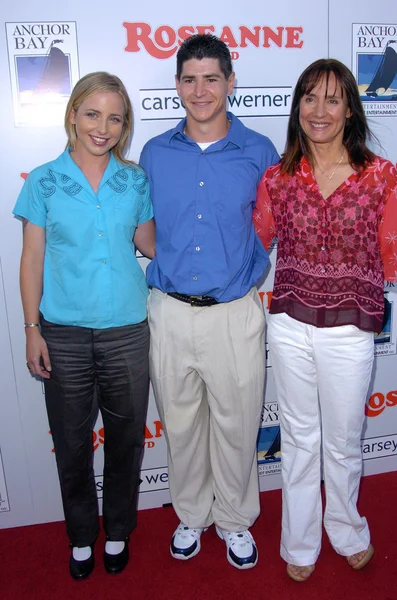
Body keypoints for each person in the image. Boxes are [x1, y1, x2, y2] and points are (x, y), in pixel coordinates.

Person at [254, 58, 397, 582]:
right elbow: (255, 242)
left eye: (333, 99)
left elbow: (392, 255)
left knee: (342, 440)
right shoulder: (277, 178)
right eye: (309, 98)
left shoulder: (382, 177)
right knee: (296, 438)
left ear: (350, 109)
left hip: (351, 330)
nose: (319, 110)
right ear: (296, 107)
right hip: (289, 326)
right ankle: (299, 541)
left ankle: (347, 530)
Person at [140, 34, 279, 569]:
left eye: (212, 78)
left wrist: (239, 267)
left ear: (230, 82)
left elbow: (268, 227)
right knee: (179, 424)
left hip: (233, 314)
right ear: (178, 85)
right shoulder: (155, 153)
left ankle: (236, 520)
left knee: (238, 423)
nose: (201, 91)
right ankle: (192, 515)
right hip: (170, 312)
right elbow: (144, 230)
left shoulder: (260, 150)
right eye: (190, 79)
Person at [13, 72, 155, 580]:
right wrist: (32, 328)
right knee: (72, 445)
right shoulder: (44, 181)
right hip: (64, 334)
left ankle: (117, 531)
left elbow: (151, 243)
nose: (102, 126)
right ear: (72, 114)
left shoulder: (135, 180)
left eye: (114, 117)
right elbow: (32, 259)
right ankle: (80, 536)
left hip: (127, 331)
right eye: (92, 113)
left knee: (125, 443)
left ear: (124, 125)